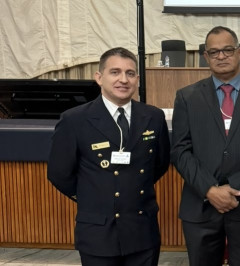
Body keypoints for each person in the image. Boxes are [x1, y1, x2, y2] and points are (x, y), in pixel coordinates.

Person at [47, 47, 171, 266]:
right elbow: (59, 173)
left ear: (137, 79)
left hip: (142, 230)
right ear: (99, 77)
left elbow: (159, 164)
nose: (123, 79)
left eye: (130, 73)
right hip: (98, 231)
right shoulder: (75, 120)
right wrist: (94, 196)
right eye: (115, 72)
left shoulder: (153, 116)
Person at [171, 26, 240, 266]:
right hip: (200, 205)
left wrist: (236, 187)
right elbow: (180, 150)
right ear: (205, 57)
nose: (221, 56)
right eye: (214, 52)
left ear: (239, 53)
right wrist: (210, 190)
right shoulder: (187, 97)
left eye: (227, 50)